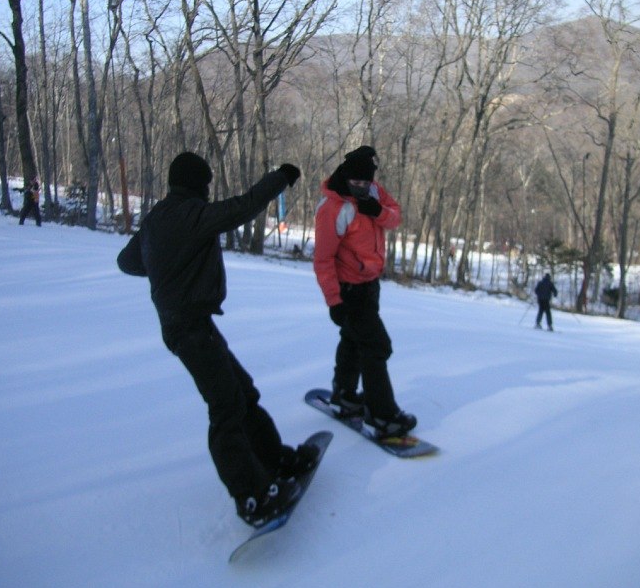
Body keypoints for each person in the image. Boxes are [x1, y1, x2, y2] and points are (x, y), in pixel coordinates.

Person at [116, 151, 316, 527]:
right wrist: (281, 177)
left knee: (243, 392)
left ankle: (275, 460)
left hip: (194, 325)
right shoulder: (191, 214)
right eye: (206, 185)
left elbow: (128, 261)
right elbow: (244, 207)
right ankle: (252, 497)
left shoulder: (160, 216)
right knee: (226, 407)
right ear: (197, 185)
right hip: (188, 329)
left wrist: (166, 266)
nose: (208, 192)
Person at [313, 145, 416, 437]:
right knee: (376, 346)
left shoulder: (374, 192)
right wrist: (334, 301)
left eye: (365, 182)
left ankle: (344, 396)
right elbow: (322, 260)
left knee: (353, 340)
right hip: (349, 290)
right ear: (345, 176)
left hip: (370, 285)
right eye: (355, 182)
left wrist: (378, 211)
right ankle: (381, 415)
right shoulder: (333, 208)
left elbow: (395, 217)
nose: (360, 187)